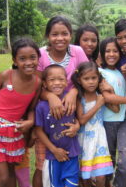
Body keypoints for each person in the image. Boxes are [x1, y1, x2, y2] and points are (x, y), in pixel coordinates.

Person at [0, 38, 41, 187]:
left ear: (38, 58)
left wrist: (30, 122)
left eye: (33, 57)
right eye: (22, 59)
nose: (28, 62)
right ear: (15, 61)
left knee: (12, 174)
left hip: (13, 132)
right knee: (3, 176)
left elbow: (31, 108)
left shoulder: (37, 83)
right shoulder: (6, 75)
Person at [33, 16, 88, 187]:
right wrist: (50, 97)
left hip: (71, 111)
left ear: (71, 35)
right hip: (47, 111)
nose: (60, 38)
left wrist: (73, 91)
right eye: (54, 34)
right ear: (48, 36)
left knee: (72, 161)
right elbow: (36, 86)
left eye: (64, 34)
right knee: (43, 165)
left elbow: (86, 78)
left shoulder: (77, 52)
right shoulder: (41, 55)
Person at [99, 37, 126, 187]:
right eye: (107, 51)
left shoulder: (122, 72)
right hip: (106, 123)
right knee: (108, 162)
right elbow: (107, 97)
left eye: (115, 51)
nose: (111, 54)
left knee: (125, 161)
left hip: (123, 122)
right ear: (102, 54)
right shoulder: (99, 72)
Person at [35, 64, 80, 187]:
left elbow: (77, 119)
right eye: (52, 80)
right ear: (44, 84)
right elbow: (38, 131)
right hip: (53, 157)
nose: (57, 83)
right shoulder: (41, 106)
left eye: (61, 79)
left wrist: (77, 126)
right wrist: (54, 150)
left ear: (66, 82)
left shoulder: (71, 100)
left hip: (73, 154)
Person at [71, 61, 114, 187]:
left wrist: (110, 90)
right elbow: (82, 120)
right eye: (86, 79)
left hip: (100, 138)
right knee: (86, 177)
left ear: (98, 78)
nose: (91, 82)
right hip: (84, 140)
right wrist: (99, 104)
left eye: (94, 78)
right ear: (79, 80)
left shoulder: (99, 95)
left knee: (101, 177)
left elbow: (116, 109)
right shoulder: (80, 97)